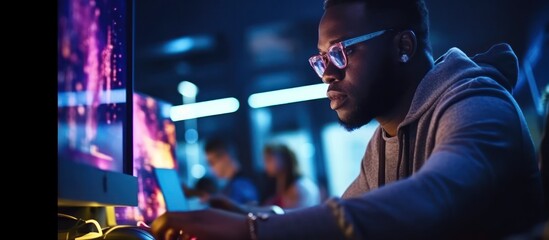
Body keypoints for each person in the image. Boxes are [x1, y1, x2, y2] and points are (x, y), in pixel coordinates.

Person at [150, 0, 544, 239]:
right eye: (321, 59)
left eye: (340, 52)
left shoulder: (477, 104)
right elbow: (345, 216)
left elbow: (431, 198)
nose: (326, 73)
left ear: (403, 45)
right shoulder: (383, 142)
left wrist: (251, 232)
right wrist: (246, 216)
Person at [202, 138, 259, 206]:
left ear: (225, 157)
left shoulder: (242, 184)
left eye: (212, 163)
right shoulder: (230, 186)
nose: (211, 168)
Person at [261, 143, 320, 209]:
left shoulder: (298, 186)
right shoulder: (284, 183)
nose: (265, 165)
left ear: (284, 158)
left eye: (269, 160)